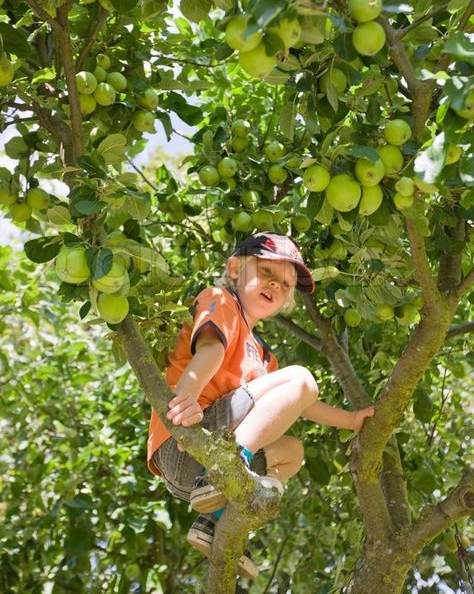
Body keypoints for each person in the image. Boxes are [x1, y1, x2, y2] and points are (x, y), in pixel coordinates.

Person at [147, 232, 374, 579]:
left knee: (292, 452)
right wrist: (186, 398)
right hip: (185, 439)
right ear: (235, 269)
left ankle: (214, 521)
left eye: (285, 284)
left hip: (200, 468)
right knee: (301, 379)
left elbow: (302, 403)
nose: (276, 285)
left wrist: (351, 419)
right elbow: (211, 350)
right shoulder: (221, 299)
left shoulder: (266, 357)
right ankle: (229, 468)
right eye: (267, 272)